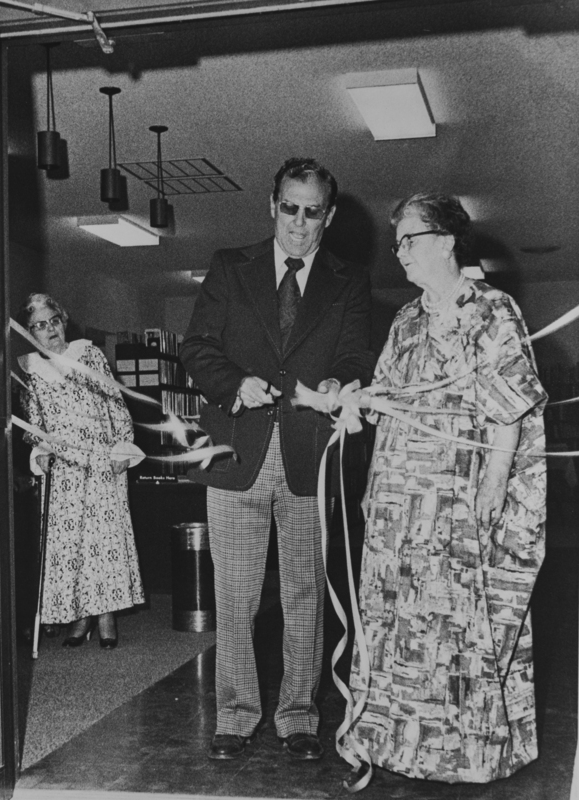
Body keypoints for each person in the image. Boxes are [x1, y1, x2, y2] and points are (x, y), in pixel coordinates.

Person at [342, 193, 547, 783]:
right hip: (397, 505)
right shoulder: (406, 320)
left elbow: (511, 406)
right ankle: (398, 747)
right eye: (396, 242)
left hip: (456, 494)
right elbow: (389, 397)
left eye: (409, 239)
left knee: (454, 625)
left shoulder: (493, 310)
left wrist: (495, 482)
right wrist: (357, 404)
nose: (399, 252)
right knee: (398, 623)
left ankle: (465, 754)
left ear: (446, 241)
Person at [180, 157, 375, 761]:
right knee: (235, 592)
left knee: (304, 595)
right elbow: (196, 348)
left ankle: (298, 718)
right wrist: (234, 381)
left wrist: (342, 386)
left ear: (329, 216)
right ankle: (235, 717)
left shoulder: (349, 281)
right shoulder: (228, 267)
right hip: (236, 451)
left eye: (311, 211)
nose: (297, 222)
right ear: (271, 204)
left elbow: (352, 358)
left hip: (309, 457)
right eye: (288, 207)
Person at [17, 293, 144, 649]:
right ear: (30, 332)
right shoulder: (30, 370)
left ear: (64, 320)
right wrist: (39, 449)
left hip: (100, 459)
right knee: (71, 544)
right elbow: (33, 422)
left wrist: (122, 446)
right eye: (39, 325)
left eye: (53, 320)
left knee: (101, 540)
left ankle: (106, 616)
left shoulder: (90, 354)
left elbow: (114, 401)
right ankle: (79, 616)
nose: (49, 329)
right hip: (64, 468)